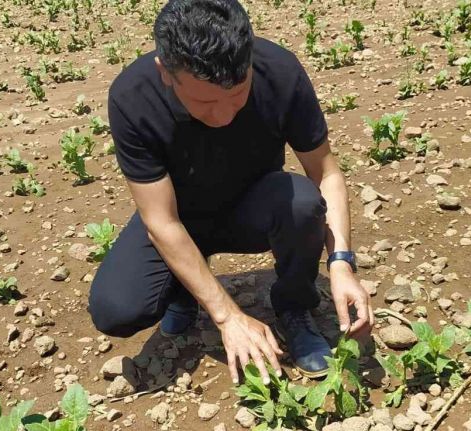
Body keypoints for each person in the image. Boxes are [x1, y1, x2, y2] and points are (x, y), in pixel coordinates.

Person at [88, 0, 372, 384]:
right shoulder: (133, 97)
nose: (224, 115)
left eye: (239, 94)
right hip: (180, 217)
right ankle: (185, 293)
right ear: (165, 72)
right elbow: (160, 220)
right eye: (203, 102)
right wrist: (227, 315)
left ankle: (294, 306)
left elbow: (326, 173)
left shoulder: (279, 70)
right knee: (115, 309)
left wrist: (340, 262)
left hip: (253, 206)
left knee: (302, 201)